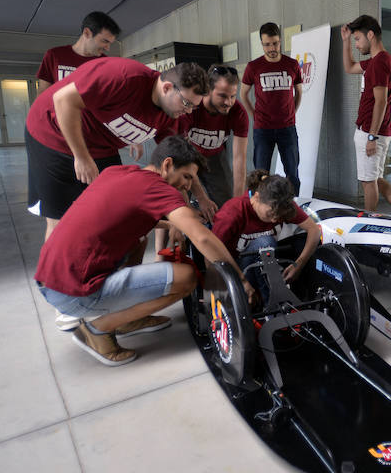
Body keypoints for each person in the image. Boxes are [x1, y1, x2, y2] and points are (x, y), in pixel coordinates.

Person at [34, 136, 253, 366]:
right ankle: (96, 331)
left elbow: (123, 215)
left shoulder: (118, 172)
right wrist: (240, 280)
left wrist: (172, 224)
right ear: (167, 165)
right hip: (75, 293)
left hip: (51, 279)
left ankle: (127, 319)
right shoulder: (159, 189)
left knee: (138, 240)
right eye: (186, 177)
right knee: (187, 278)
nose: (188, 186)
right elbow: (202, 237)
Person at [26, 57, 209, 330]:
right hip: (54, 135)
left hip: (99, 147)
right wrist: (81, 156)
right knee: (60, 217)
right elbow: (63, 99)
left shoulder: (169, 113)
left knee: (128, 219)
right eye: (187, 104)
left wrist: (198, 200)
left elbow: (179, 160)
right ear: (168, 87)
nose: (189, 111)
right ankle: (66, 299)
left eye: (194, 106)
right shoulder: (123, 77)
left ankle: (121, 301)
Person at [152, 65, 250, 256]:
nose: (228, 102)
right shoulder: (189, 109)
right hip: (182, 158)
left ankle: (220, 250)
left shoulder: (238, 112)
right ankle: (161, 253)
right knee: (172, 202)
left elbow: (239, 159)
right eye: (222, 95)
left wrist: (237, 203)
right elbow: (182, 161)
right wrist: (202, 198)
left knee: (227, 205)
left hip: (214, 157)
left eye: (232, 96)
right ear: (208, 91)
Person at [211, 170, 321, 303]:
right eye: (270, 214)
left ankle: (302, 299)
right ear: (256, 197)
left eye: (279, 214)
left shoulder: (282, 205)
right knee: (265, 242)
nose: (275, 220)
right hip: (237, 270)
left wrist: (298, 265)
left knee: (303, 243)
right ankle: (274, 306)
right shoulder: (232, 213)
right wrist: (239, 283)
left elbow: (314, 230)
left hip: (270, 266)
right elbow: (210, 252)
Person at [340, 14, 391, 217]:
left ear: (370, 35)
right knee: (376, 178)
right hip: (376, 130)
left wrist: (371, 136)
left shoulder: (380, 62)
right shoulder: (375, 61)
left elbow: (381, 101)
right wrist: (345, 41)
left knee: (368, 182)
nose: (356, 44)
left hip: (372, 132)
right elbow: (349, 67)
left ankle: (369, 222)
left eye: (357, 39)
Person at [240, 22, 303, 194]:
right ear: (262, 44)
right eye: (267, 44)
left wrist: (292, 112)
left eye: (275, 43)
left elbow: (298, 92)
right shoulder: (253, 67)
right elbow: (243, 93)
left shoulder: (292, 64)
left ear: (280, 41)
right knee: (260, 174)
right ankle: (259, 210)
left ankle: (293, 208)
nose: (271, 48)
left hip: (287, 128)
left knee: (293, 173)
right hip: (263, 129)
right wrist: (254, 115)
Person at [36, 11, 120, 95]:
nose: (108, 48)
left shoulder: (105, 64)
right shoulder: (54, 55)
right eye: (105, 41)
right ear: (87, 33)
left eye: (110, 43)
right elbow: (43, 94)